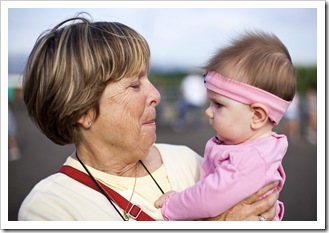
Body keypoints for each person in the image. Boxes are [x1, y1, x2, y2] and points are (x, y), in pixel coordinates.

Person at [18, 15, 278, 221]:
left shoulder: (186, 160)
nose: (155, 95)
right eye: (134, 85)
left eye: (148, 79)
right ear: (81, 112)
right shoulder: (49, 210)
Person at [155, 31, 296, 221]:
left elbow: (207, 199)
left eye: (218, 105)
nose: (208, 111)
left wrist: (172, 204)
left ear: (257, 116)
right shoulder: (248, 149)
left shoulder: (248, 160)